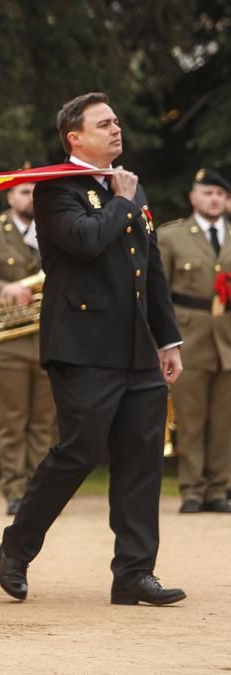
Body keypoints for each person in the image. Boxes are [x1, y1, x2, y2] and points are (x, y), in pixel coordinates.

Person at [0, 92, 185, 606]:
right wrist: (123, 201)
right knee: (79, 450)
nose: (116, 130)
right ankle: (18, 546)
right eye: (103, 124)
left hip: (136, 347)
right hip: (82, 345)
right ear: (75, 137)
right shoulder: (57, 187)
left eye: (117, 122)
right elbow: (84, 241)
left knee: (142, 459)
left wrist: (167, 339)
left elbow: (151, 268)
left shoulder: (129, 185)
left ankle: (134, 573)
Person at [0, 180, 56, 516]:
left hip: (47, 341)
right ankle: (15, 491)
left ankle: (39, 490)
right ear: (10, 196)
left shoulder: (52, 227)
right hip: (10, 345)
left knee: (44, 423)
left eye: (34, 192)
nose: (29, 198)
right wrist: (6, 288)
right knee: (12, 421)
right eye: (22, 192)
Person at [157, 167, 231, 514]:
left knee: (224, 420)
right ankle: (191, 489)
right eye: (208, 193)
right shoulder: (172, 236)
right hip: (188, 336)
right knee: (190, 417)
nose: (214, 199)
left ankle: (218, 489)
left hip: (228, 338)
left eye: (219, 194)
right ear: (193, 197)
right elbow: (158, 292)